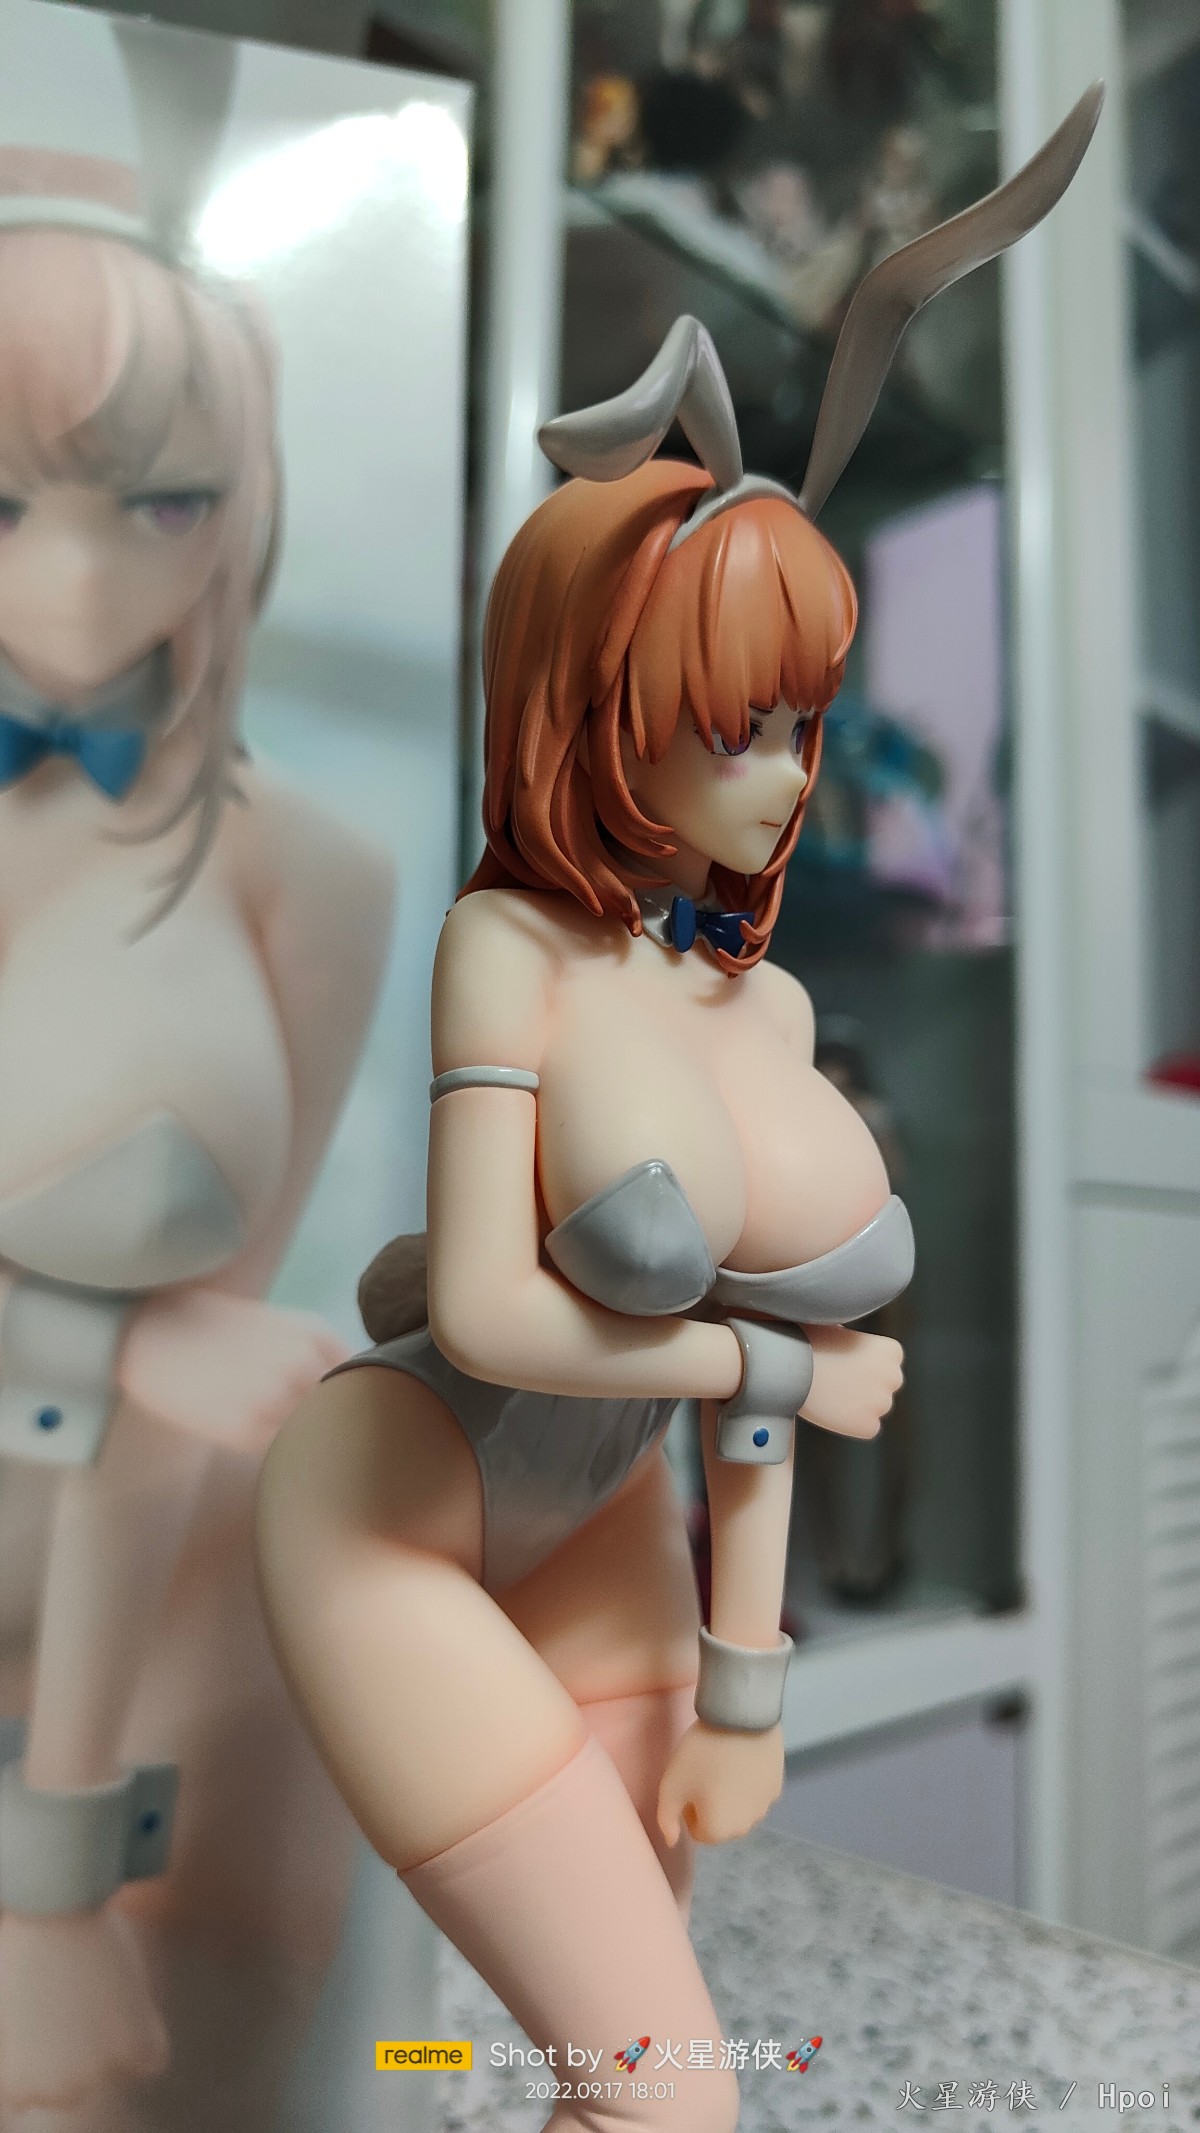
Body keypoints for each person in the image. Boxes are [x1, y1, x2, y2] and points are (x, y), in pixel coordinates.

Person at [257, 88, 1100, 2133]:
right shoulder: (509, 953)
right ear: (602, 702)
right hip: (391, 1510)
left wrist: (751, 1681)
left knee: (611, 2077)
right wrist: (772, 1364)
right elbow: (490, 1308)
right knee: (671, 2089)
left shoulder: (762, 998)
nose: (793, 770)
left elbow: (758, 1394)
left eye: (805, 717)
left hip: (618, 1518)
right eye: (742, 721)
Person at [0, 104, 393, 2131]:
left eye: (159, 500)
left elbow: (210, 1346)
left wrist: (55, 1866)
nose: (77, 580)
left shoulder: (309, 870)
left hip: (153, 1628)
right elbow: (159, 1345)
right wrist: (116, 1342)